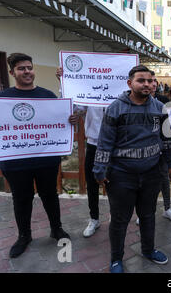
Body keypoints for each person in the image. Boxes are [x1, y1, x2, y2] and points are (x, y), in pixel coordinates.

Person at [93, 65, 171, 273]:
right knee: (120, 220)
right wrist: (100, 170)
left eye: (150, 80)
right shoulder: (115, 108)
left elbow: (166, 140)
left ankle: (148, 249)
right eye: (141, 80)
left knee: (148, 215)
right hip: (121, 176)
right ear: (130, 83)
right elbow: (105, 142)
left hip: (151, 174)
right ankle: (116, 259)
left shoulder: (159, 108)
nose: (147, 84)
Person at [0, 53, 71, 258]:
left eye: (29, 67)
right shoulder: (1, 100)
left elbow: (59, 121)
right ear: (12, 72)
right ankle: (24, 236)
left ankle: (56, 229)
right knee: (21, 199)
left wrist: (69, 120)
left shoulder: (47, 95)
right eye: (21, 68)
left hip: (46, 158)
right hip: (15, 161)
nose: (27, 71)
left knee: (50, 195)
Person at [56, 67, 105, 238]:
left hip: (116, 147)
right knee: (92, 184)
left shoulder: (122, 94)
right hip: (93, 144)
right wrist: (64, 82)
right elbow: (75, 107)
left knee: (118, 184)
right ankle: (94, 219)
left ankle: (119, 220)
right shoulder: (90, 92)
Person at [135, 73, 171, 223]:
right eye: (150, 81)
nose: (152, 84)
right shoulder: (137, 102)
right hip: (144, 152)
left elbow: (168, 128)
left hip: (162, 149)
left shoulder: (164, 102)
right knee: (144, 183)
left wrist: (170, 159)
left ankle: (167, 208)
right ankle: (144, 212)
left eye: (155, 81)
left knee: (164, 180)